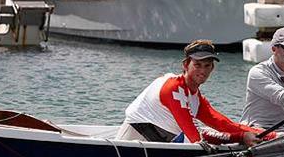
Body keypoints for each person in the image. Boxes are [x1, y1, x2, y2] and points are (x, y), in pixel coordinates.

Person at [117, 40, 272, 147]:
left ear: (212, 68)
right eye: (197, 65)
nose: (202, 71)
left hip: (160, 143)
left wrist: (268, 135)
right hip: (134, 139)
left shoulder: (195, 98)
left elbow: (224, 125)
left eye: (207, 66)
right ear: (185, 65)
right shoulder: (173, 88)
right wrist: (240, 138)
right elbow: (193, 136)